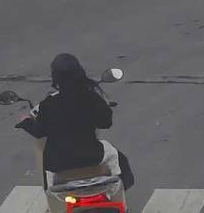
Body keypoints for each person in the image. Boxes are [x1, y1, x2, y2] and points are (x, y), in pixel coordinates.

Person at [16, 53, 135, 186]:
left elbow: (39, 131)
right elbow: (106, 123)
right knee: (117, 157)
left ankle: (53, 200)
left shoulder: (48, 104)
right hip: (91, 156)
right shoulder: (90, 97)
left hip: (58, 162)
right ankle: (118, 191)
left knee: (48, 177)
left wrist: (26, 121)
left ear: (55, 77)